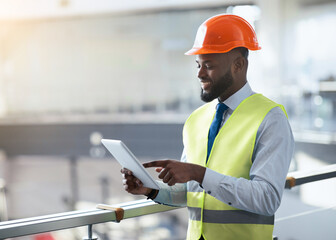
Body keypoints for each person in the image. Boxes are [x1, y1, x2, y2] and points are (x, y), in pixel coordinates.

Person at [121, 14, 294, 240]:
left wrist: (199, 173)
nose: (200, 73)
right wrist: (150, 189)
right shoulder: (196, 120)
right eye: (198, 65)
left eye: (209, 66)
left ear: (238, 65)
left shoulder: (270, 118)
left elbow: (267, 198)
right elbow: (192, 193)